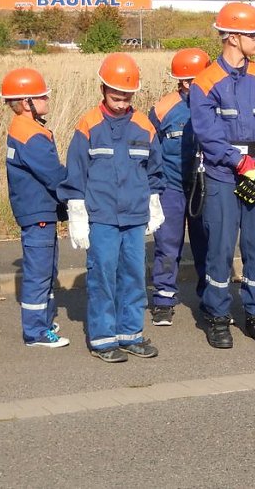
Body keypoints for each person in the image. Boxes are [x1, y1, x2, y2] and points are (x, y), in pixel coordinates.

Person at [189, 3, 255, 349]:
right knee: (219, 249)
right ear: (232, 37)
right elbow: (208, 134)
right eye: (252, 34)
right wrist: (241, 163)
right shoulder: (204, 83)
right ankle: (217, 315)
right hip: (222, 176)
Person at [59, 53, 164, 363]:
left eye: (127, 97)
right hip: (101, 217)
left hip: (134, 217)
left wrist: (154, 202)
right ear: (102, 89)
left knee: (133, 275)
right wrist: (76, 214)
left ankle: (131, 334)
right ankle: (104, 339)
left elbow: (155, 170)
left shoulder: (144, 125)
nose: (121, 103)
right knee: (103, 276)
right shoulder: (88, 125)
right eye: (116, 97)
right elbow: (76, 171)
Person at [1, 67, 69, 348]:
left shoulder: (24, 129)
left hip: (38, 211)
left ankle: (45, 319)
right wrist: (80, 188)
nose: (47, 100)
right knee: (40, 274)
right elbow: (54, 175)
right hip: (38, 213)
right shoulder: (30, 135)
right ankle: (36, 332)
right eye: (41, 96)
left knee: (46, 271)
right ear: (26, 102)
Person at [147, 48, 211, 326]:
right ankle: (163, 299)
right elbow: (151, 151)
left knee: (207, 244)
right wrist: (153, 188)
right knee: (167, 245)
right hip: (170, 187)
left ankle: (210, 299)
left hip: (204, 186)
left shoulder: (215, 103)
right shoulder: (162, 109)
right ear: (185, 82)